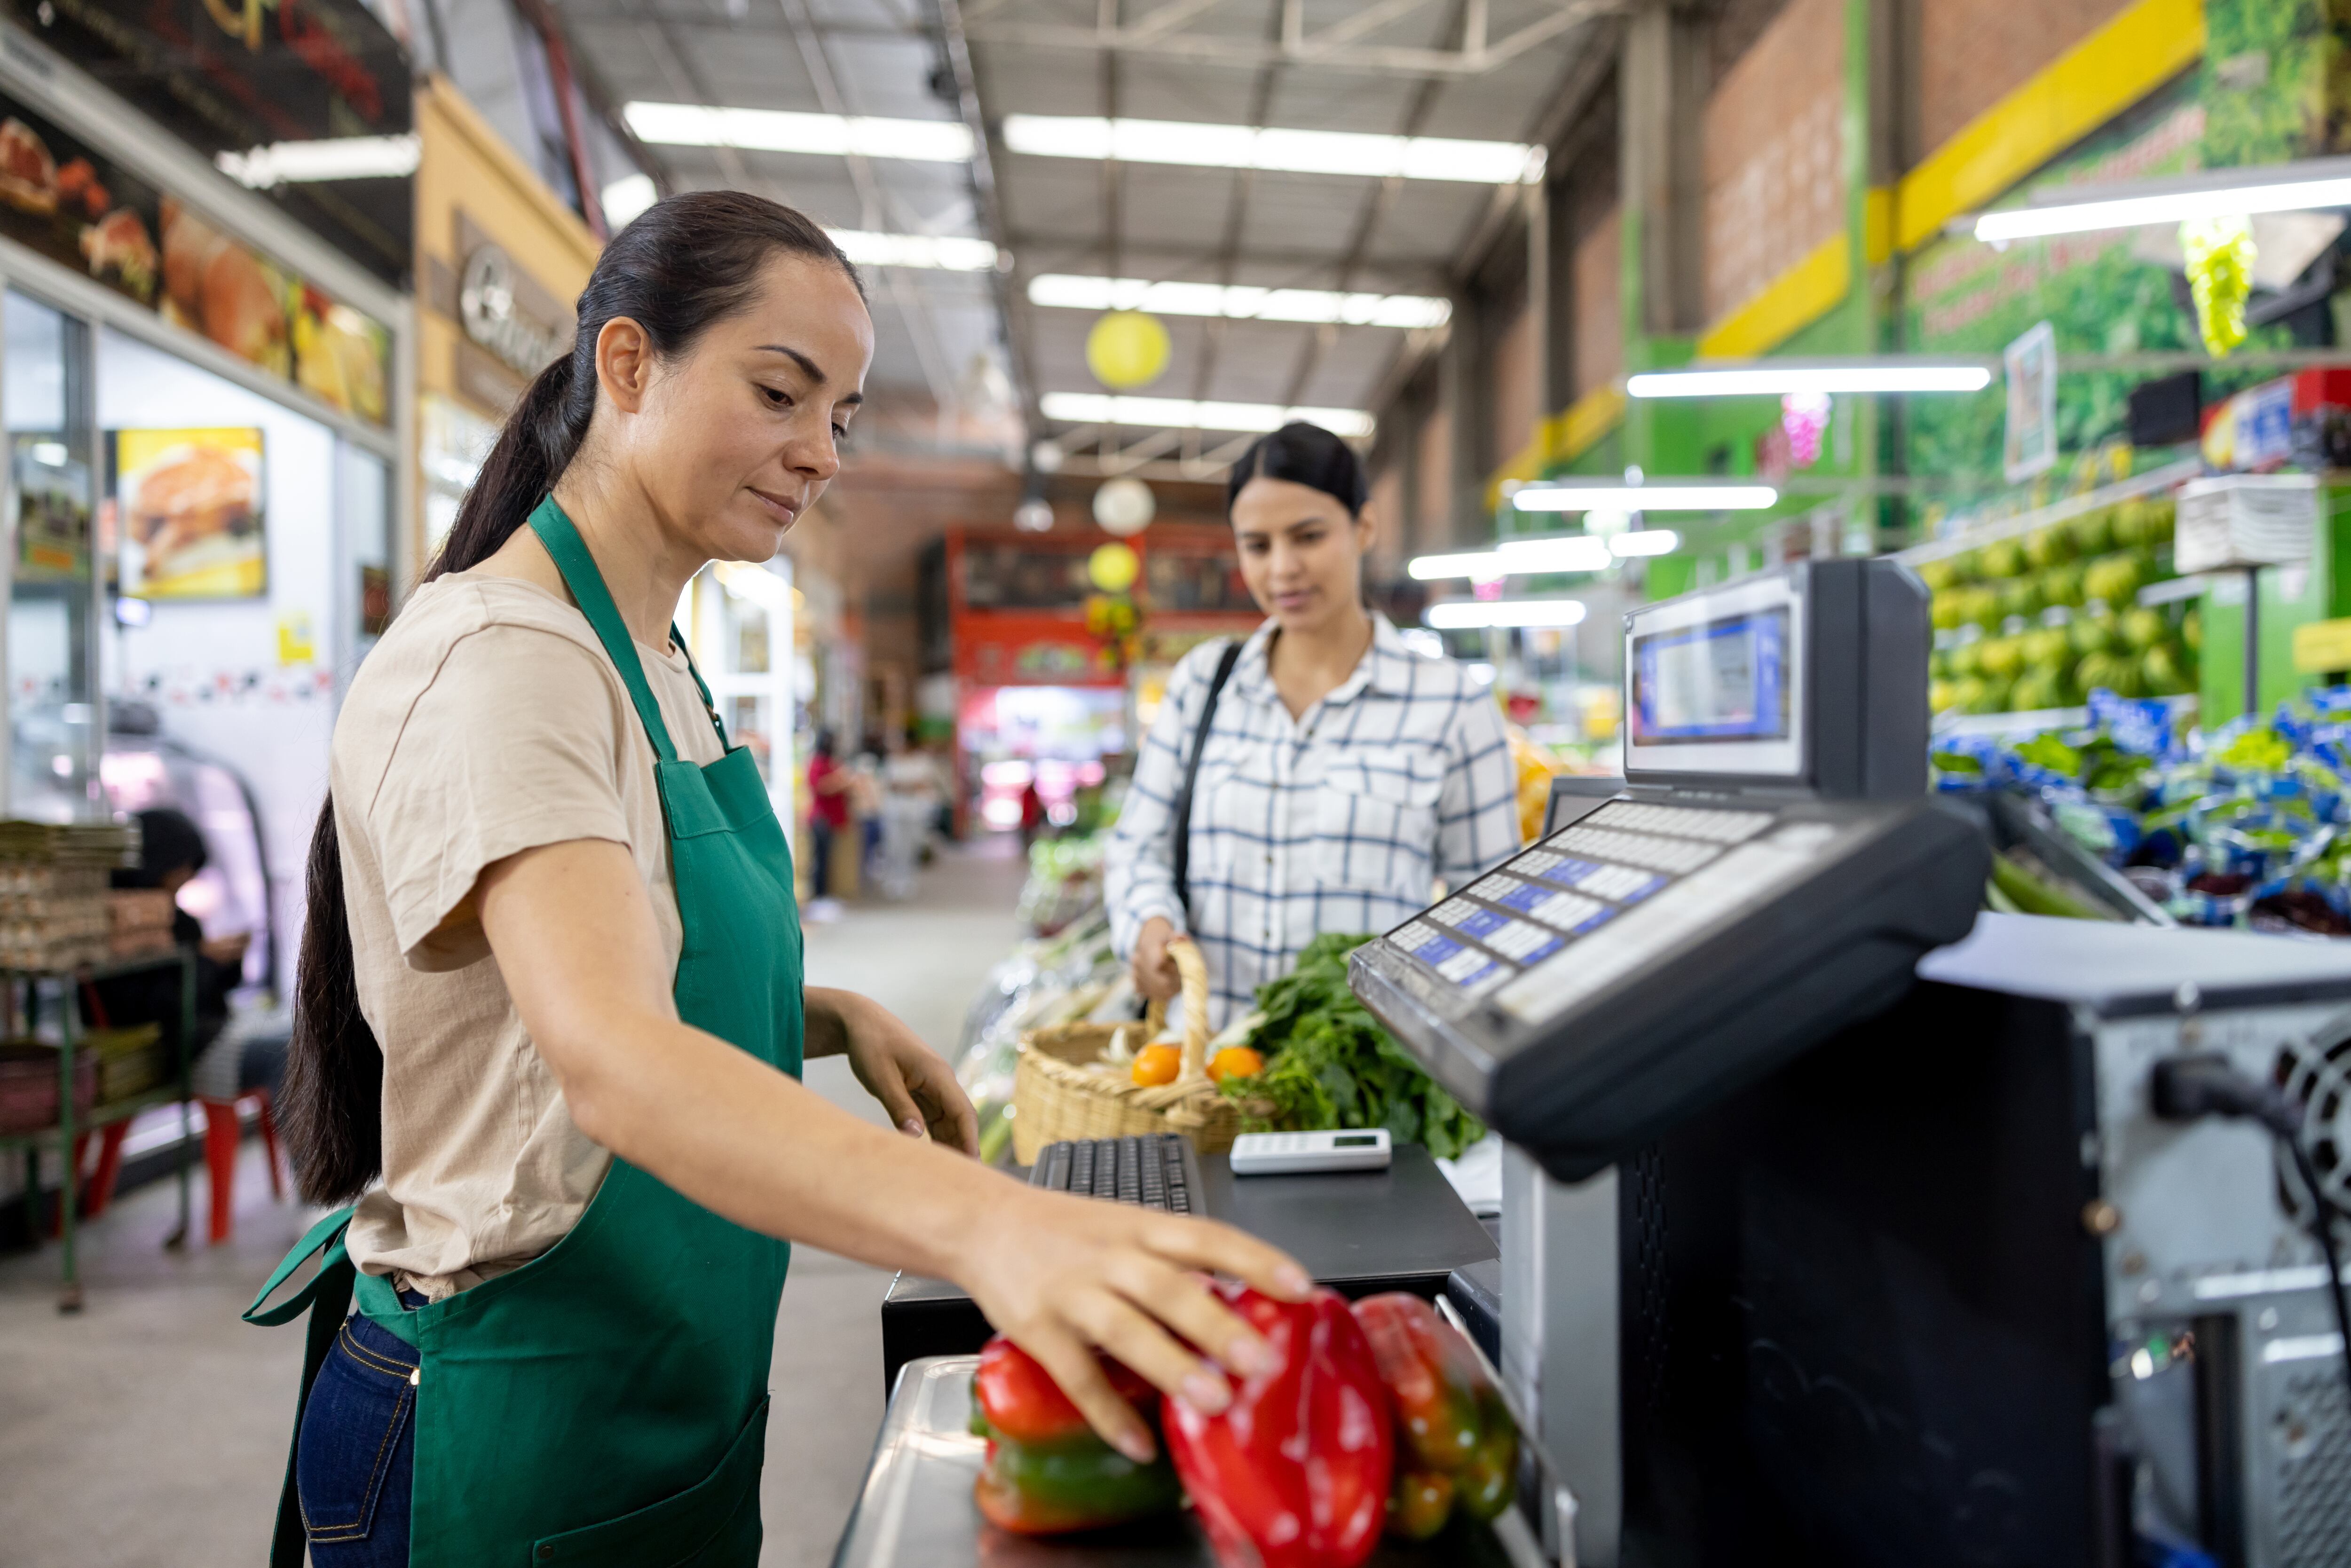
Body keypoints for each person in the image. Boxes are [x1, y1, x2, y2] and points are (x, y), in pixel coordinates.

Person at [249, 192, 1308, 1568]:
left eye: (843, 416)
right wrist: (995, 1224)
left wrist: (825, 1010)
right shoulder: (508, 658)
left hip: (657, 1404)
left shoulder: (660, 662)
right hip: (500, 1425)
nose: (817, 452)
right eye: (779, 391)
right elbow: (611, 1056)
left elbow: (594, 955)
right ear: (628, 366)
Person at [1104, 421, 1522, 1030]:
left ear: (1364, 527)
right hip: (1207, 1071)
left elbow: (1489, 910)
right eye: (1258, 545)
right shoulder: (1204, 685)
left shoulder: (1452, 704)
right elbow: (1138, 847)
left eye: (1308, 536)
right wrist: (1147, 923)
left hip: (1366, 1085)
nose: (1283, 568)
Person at [805, 727, 851, 916]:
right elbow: (821, 786)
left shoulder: (831, 762)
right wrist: (842, 782)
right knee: (820, 859)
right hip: (820, 818)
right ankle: (818, 898)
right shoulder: (817, 762)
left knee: (827, 859)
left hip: (830, 819)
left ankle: (825, 896)